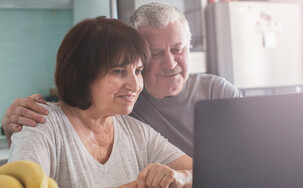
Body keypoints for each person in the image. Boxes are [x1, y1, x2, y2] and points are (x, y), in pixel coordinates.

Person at [1, 2, 241, 157]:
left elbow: (257, 150)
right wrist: (16, 128)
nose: (170, 63)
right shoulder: (122, 104)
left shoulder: (217, 92)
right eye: (155, 54)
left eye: (178, 49)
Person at [8, 16, 192, 188]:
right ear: (82, 75)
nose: (135, 85)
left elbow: (206, 177)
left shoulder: (137, 131)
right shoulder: (40, 121)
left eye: (138, 71)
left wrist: (181, 178)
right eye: (119, 71)